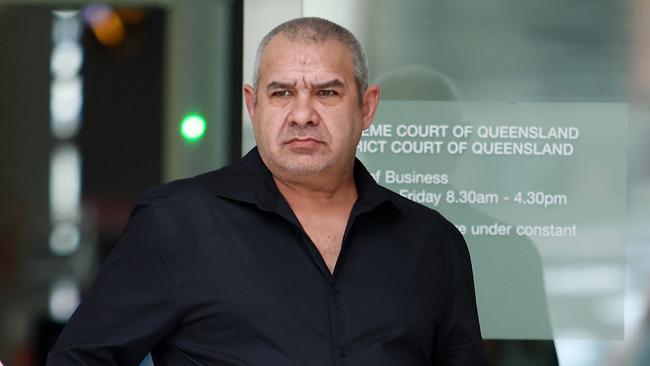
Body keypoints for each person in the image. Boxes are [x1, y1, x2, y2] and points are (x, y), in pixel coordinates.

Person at [47, 17, 486, 365]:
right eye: (281, 93)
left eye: (327, 92)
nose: (302, 114)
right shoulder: (177, 222)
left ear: (366, 107)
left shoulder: (432, 243)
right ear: (252, 105)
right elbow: (82, 359)